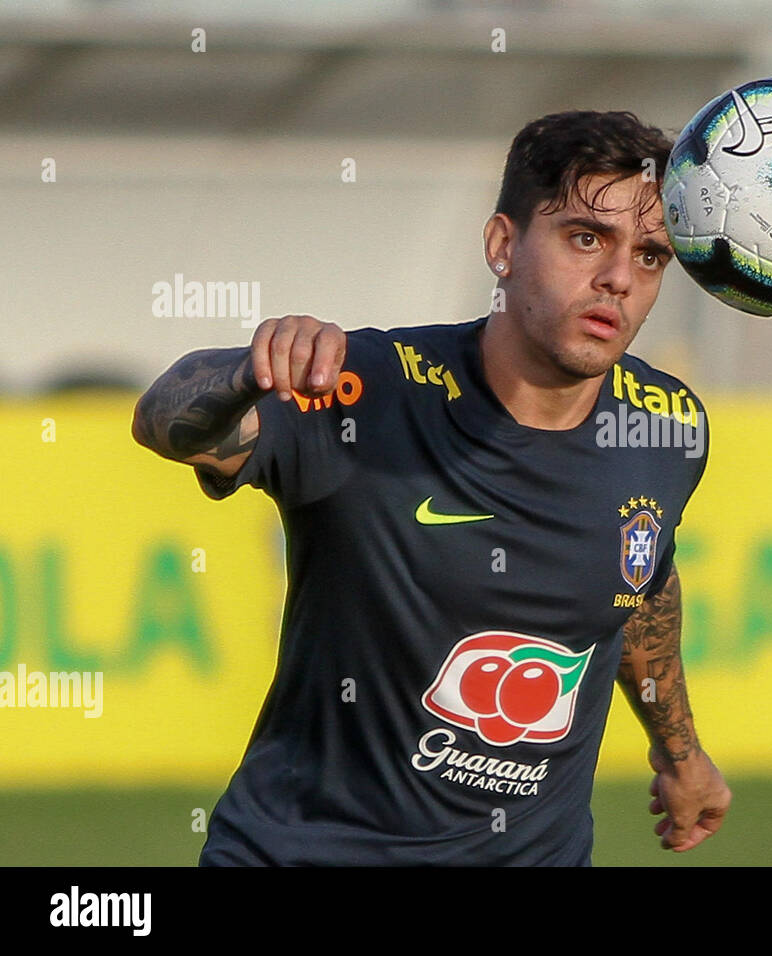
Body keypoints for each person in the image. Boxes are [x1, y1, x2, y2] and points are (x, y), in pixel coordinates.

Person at [131, 110, 731, 865]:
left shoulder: (668, 425)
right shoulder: (365, 392)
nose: (618, 277)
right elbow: (164, 422)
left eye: (649, 257)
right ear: (503, 247)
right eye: (586, 238)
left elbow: (642, 585)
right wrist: (247, 370)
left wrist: (680, 753)